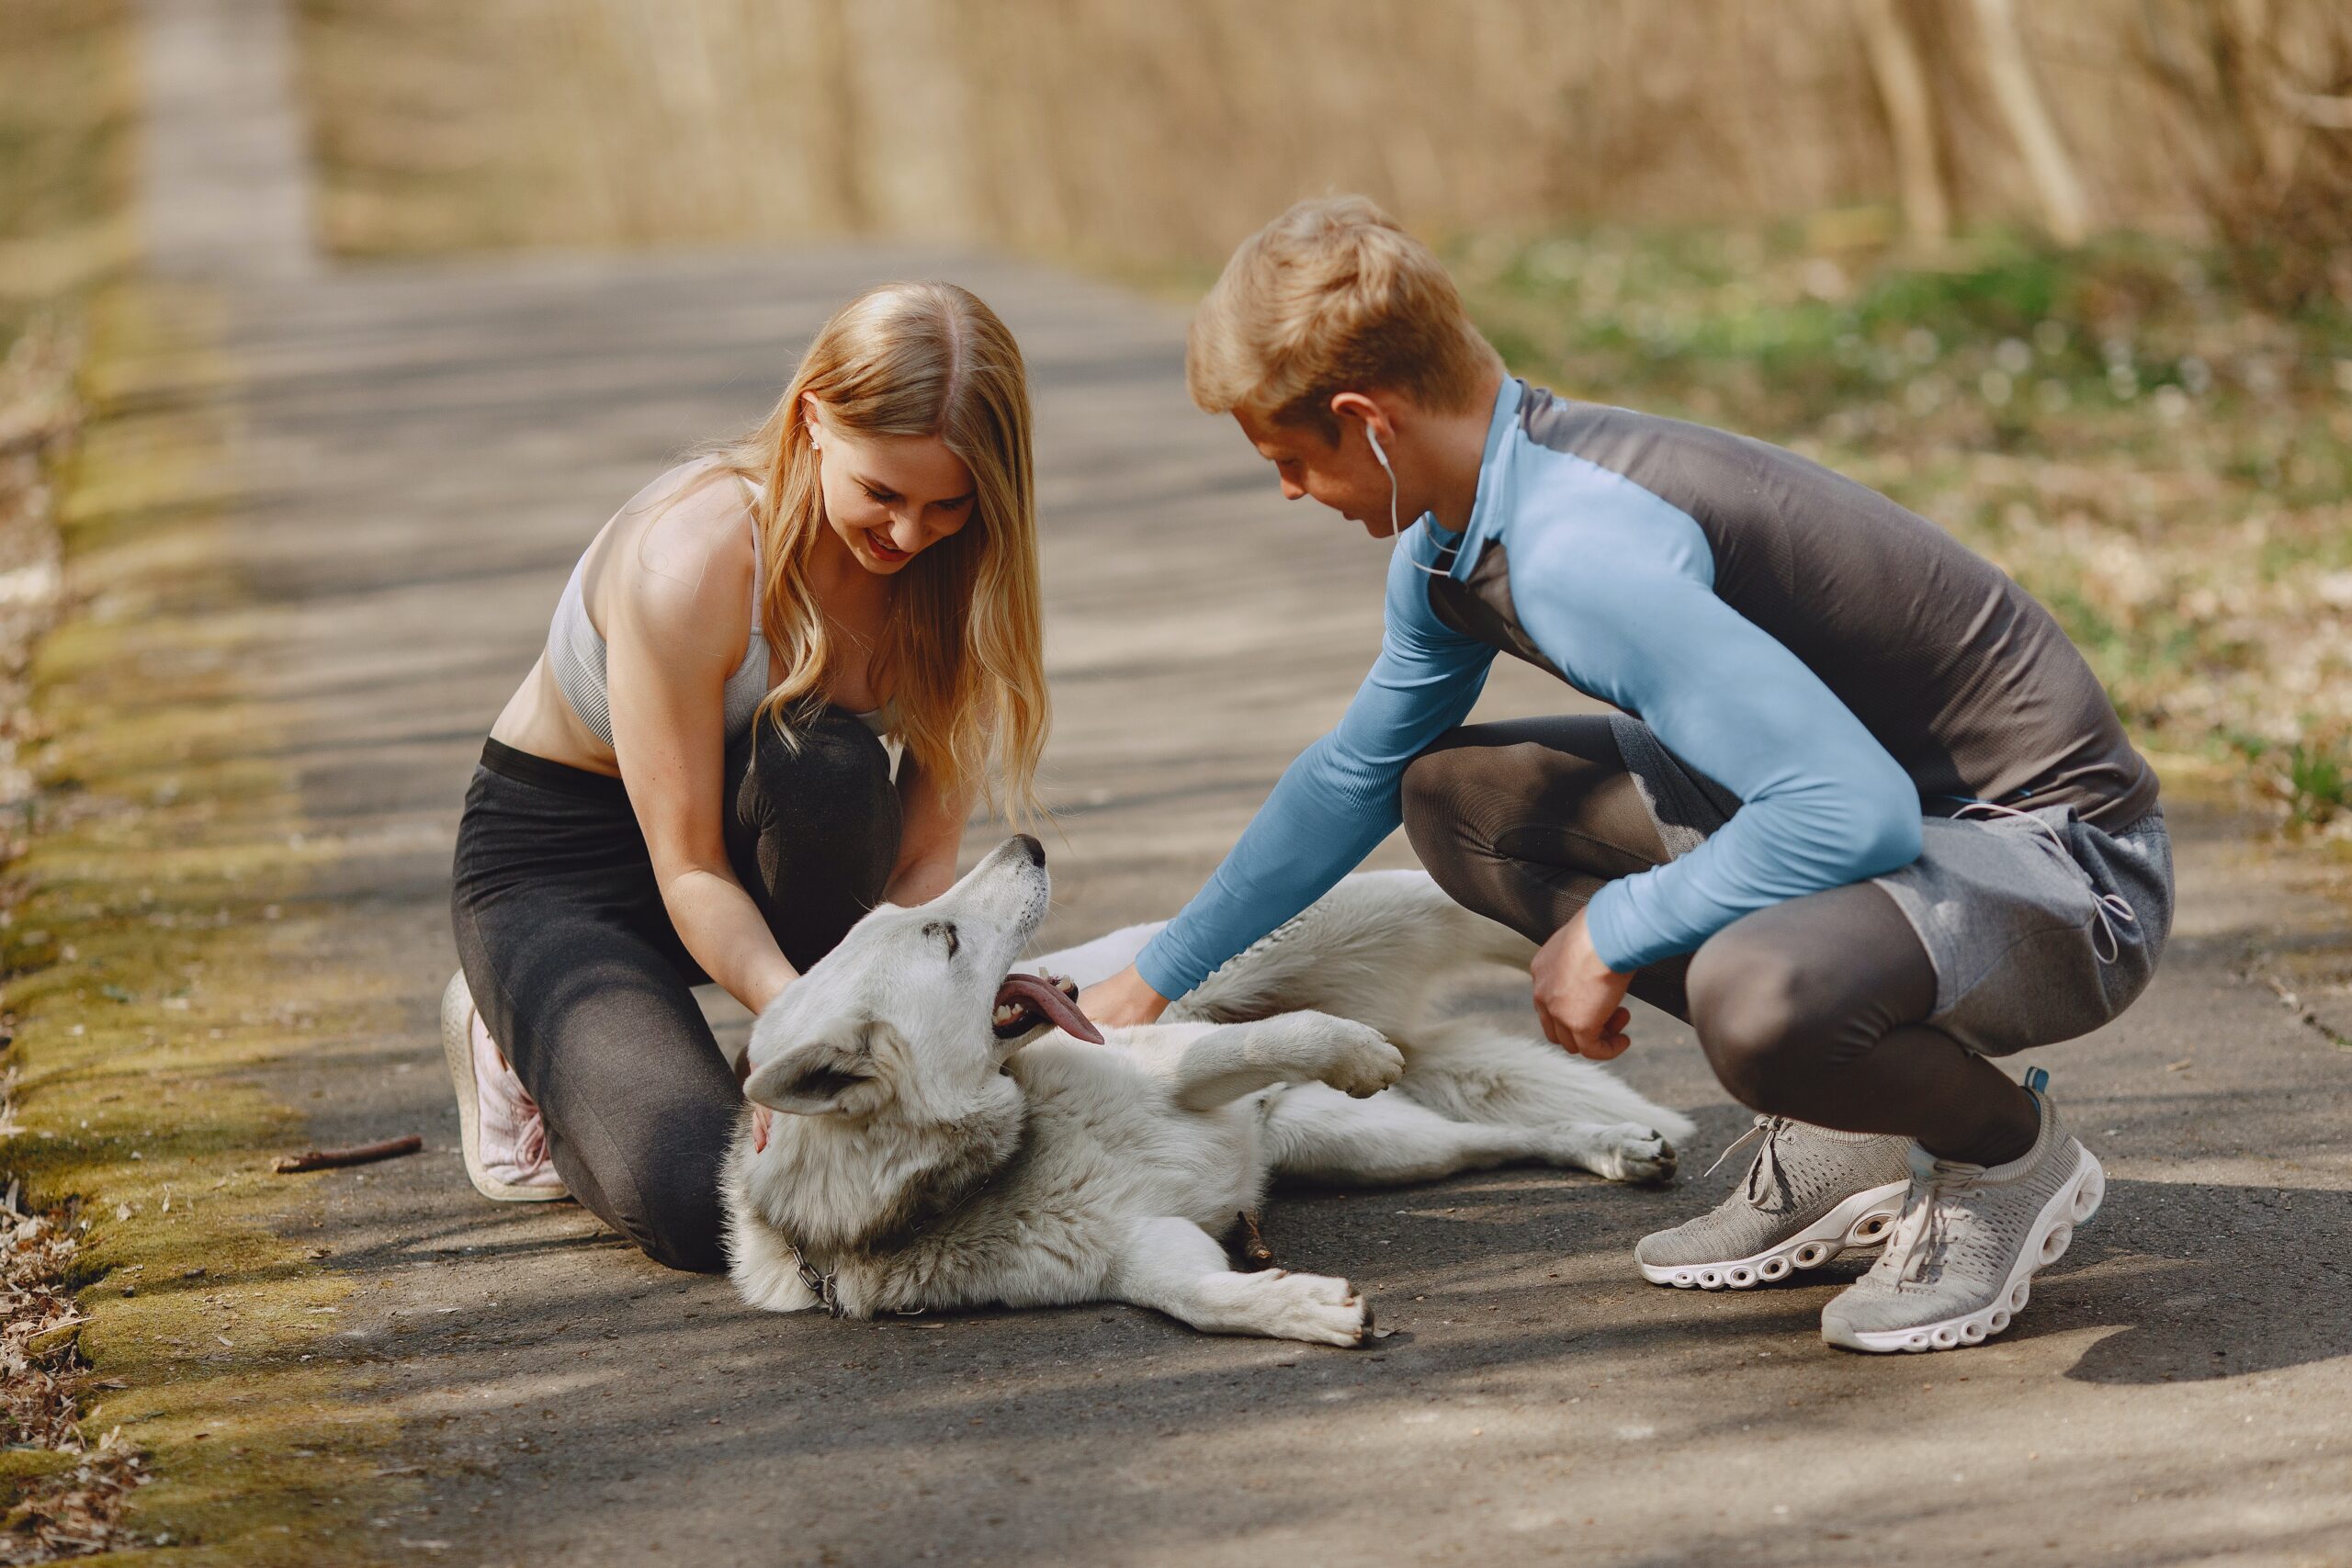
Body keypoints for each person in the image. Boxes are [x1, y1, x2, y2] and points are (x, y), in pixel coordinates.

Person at [1080, 197, 2171, 1354]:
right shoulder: (1461, 537)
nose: (1293, 493)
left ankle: (1999, 1153)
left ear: (1370, 421)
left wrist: (1616, 929)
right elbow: (1354, 773)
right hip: (1903, 833)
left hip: (2062, 870)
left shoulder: (1576, 551)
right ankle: (1848, 1114)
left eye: (1291, 459)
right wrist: (1147, 985)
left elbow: (1848, 809)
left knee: (1756, 1003)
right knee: (1459, 801)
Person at [440, 282, 1048, 1271]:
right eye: (882, 494)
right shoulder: (695, 556)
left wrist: (860, 1049)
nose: (907, 536)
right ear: (813, 419)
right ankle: (509, 1022)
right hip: (567, 872)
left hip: (772, 827)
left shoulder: (966, 574)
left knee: (827, 775)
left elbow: (922, 859)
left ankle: (724, 1049)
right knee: (704, 1205)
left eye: (946, 505)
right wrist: (801, 1030)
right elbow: (686, 867)